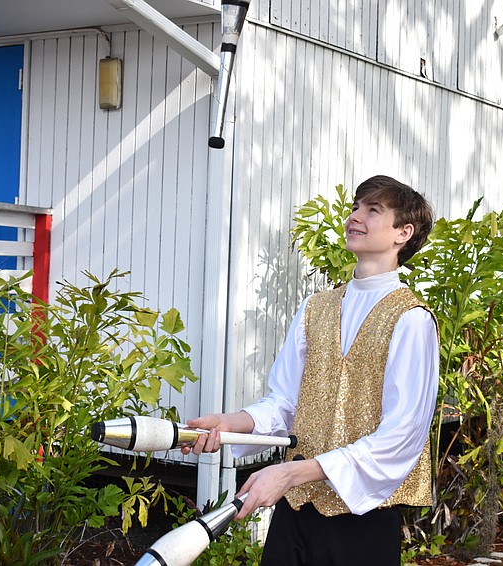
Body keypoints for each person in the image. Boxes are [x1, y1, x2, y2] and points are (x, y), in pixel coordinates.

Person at [182, 175, 439, 565]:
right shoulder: (314, 308)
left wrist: (292, 473)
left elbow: (401, 437)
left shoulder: (412, 320)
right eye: (356, 206)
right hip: (296, 513)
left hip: (365, 521)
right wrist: (231, 423)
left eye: (373, 210)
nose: (356, 216)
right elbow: (284, 404)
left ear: (404, 232)